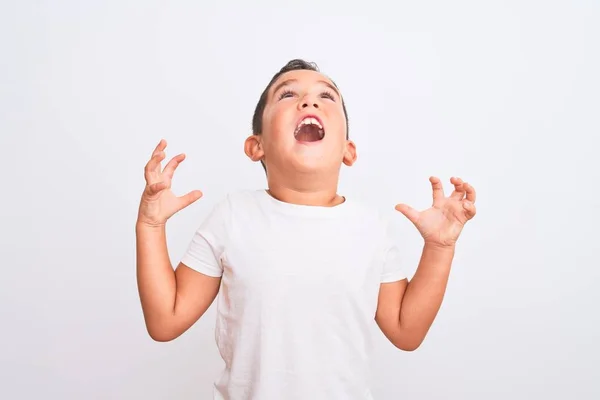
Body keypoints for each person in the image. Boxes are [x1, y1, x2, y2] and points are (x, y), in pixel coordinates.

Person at [135, 59, 477, 400]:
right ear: (257, 146)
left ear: (348, 150)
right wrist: (150, 224)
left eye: (326, 96)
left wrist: (440, 247)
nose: (309, 101)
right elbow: (165, 321)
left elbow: (406, 330)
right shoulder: (233, 216)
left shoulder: (370, 228)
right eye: (287, 95)